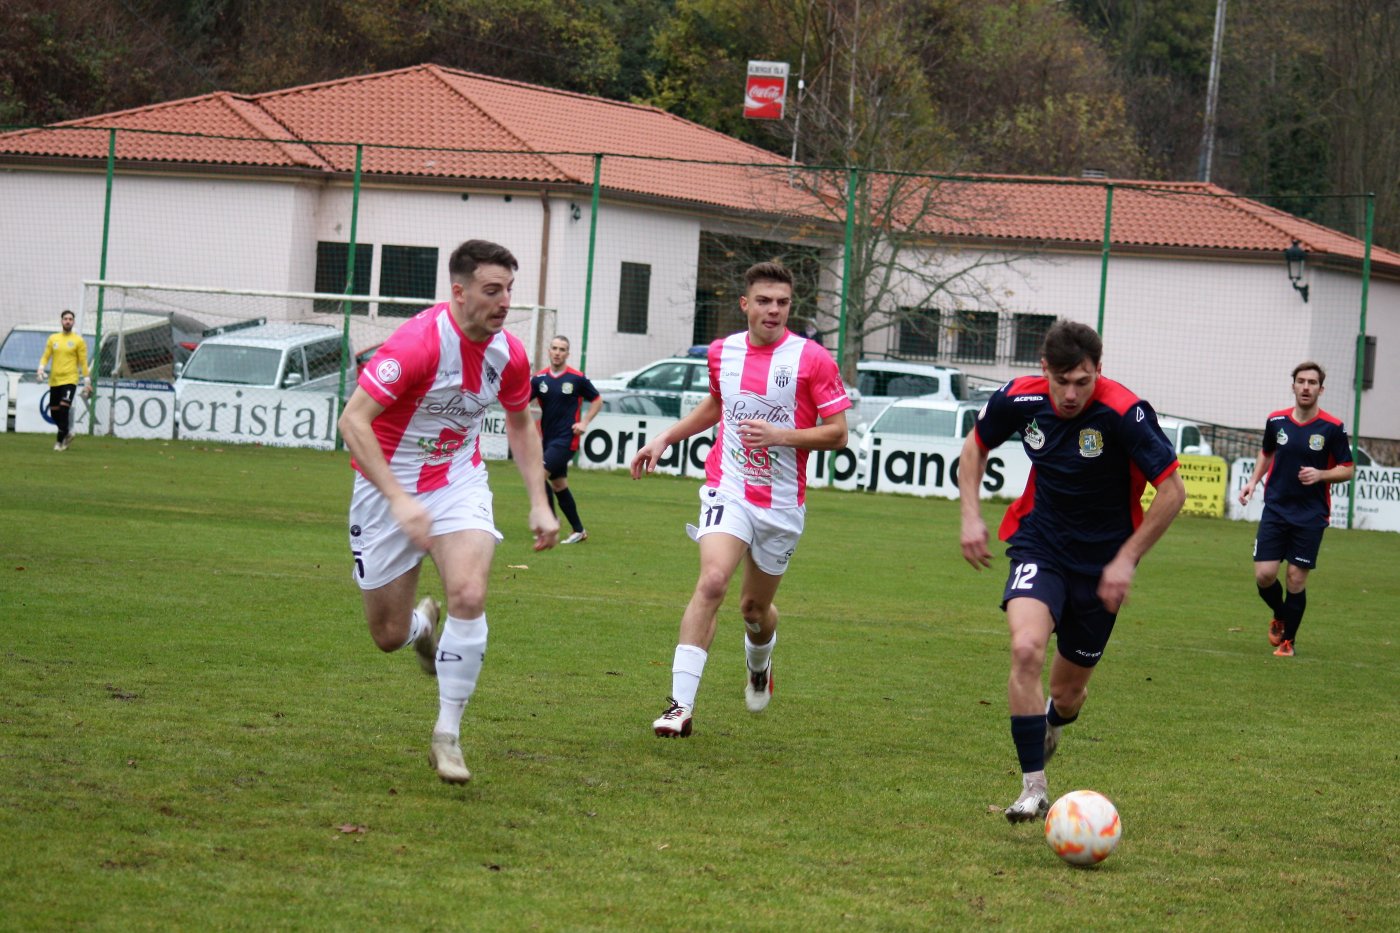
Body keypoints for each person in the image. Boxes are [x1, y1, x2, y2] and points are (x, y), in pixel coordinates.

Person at [337, 239, 559, 784]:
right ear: (458, 292)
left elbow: (520, 423)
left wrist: (538, 502)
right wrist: (397, 499)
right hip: (387, 487)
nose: (505, 301)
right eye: (492, 290)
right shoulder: (417, 344)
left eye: (510, 289)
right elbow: (353, 422)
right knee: (387, 635)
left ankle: (447, 735)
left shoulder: (509, 353)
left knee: (469, 592)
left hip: (459, 481)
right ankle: (419, 628)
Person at [959, 320, 1185, 822]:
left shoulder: (1125, 411)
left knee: (1067, 693)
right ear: (1045, 371)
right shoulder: (1019, 399)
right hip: (1040, 545)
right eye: (1061, 381)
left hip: (1103, 566)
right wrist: (970, 514)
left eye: (1082, 382)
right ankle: (1033, 788)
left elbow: (1173, 493)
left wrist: (1126, 559)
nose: (1070, 393)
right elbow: (976, 446)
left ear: (1098, 371)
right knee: (1024, 649)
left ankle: (1053, 722)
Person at [630, 261, 851, 737]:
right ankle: (678, 707)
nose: (774, 310)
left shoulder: (812, 359)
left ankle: (759, 664)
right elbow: (717, 403)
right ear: (745, 304)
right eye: (765, 301)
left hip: (782, 504)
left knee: (754, 610)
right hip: (727, 486)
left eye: (783, 302)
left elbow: (838, 435)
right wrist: (666, 438)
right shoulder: (721, 352)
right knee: (711, 582)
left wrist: (782, 435)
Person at [1237, 362, 1354, 658]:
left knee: (1295, 579)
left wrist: (1321, 474)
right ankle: (1281, 613)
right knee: (1264, 575)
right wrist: (1253, 481)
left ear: (1320, 389)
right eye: (1301, 381)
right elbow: (1267, 453)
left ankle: (1288, 641)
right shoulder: (1276, 421)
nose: (1305, 387)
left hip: (1311, 514)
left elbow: (1348, 469)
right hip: (1276, 509)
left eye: (1312, 383)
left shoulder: (1332, 427)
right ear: (1293, 386)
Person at [530, 335, 602, 544]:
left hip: (566, 439)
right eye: (554, 348)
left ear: (567, 354)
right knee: (559, 485)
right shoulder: (539, 379)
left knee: (538, 476)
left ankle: (550, 523)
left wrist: (585, 422)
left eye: (562, 349)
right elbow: (521, 402)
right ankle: (578, 530)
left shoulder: (576, 378)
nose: (557, 352)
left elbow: (597, 400)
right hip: (547, 440)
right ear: (549, 351)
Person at [36, 309, 91, 451]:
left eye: (70, 319)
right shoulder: (53, 339)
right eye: (65, 319)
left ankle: (59, 442)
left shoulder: (78, 340)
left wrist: (87, 382)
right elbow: (46, 356)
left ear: (73, 322)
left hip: (70, 379)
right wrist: (41, 368)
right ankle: (67, 433)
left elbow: (83, 362)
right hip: (54, 380)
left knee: (64, 407)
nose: (68, 321)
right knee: (55, 412)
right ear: (61, 321)